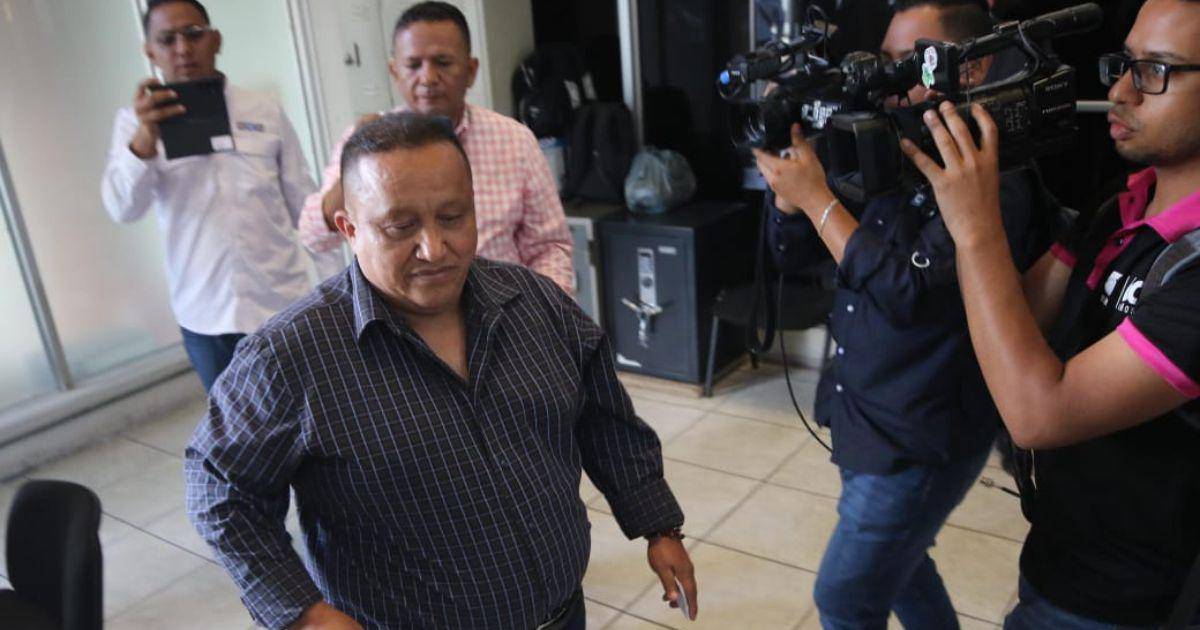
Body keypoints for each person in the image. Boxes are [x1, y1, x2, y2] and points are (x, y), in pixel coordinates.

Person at [185, 112, 697, 629]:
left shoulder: (535, 303)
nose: (433, 248)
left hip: (562, 614)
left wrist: (658, 526)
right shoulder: (288, 356)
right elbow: (221, 490)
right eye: (400, 227)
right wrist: (300, 612)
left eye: (452, 217)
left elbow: (605, 420)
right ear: (349, 229)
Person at [753, 1, 1055, 628]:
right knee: (904, 571)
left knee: (844, 596)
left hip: (919, 434)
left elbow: (910, 295)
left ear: (968, 68)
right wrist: (789, 199)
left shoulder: (995, 178)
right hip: (861, 411)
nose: (885, 81)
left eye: (906, 63)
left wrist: (818, 202)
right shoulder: (888, 141)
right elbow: (794, 255)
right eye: (883, 61)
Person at [900, 0, 1200, 626]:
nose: (1119, 91)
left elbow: (1038, 411)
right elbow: (1019, 323)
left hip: (1128, 601)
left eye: (1155, 71)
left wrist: (976, 225)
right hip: (1059, 557)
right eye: (1125, 64)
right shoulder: (1123, 203)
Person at [100, 0, 324, 391]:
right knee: (232, 424)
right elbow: (122, 208)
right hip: (205, 315)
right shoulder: (133, 124)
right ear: (150, 51)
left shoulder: (264, 111)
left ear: (215, 40)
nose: (183, 49)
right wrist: (146, 139)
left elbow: (305, 205)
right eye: (167, 40)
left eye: (193, 34)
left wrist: (330, 290)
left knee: (307, 413)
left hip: (281, 302)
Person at [297, 1, 574, 294]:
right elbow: (314, 236)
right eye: (413, 65)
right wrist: (361, 162)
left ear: (471, 70)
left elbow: (549, 247)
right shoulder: (367, 144)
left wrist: (542, 313)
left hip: (503, 310)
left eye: (442, 63)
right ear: (394, 71)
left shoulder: (514, 141)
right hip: (397, 316)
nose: (428, 78)